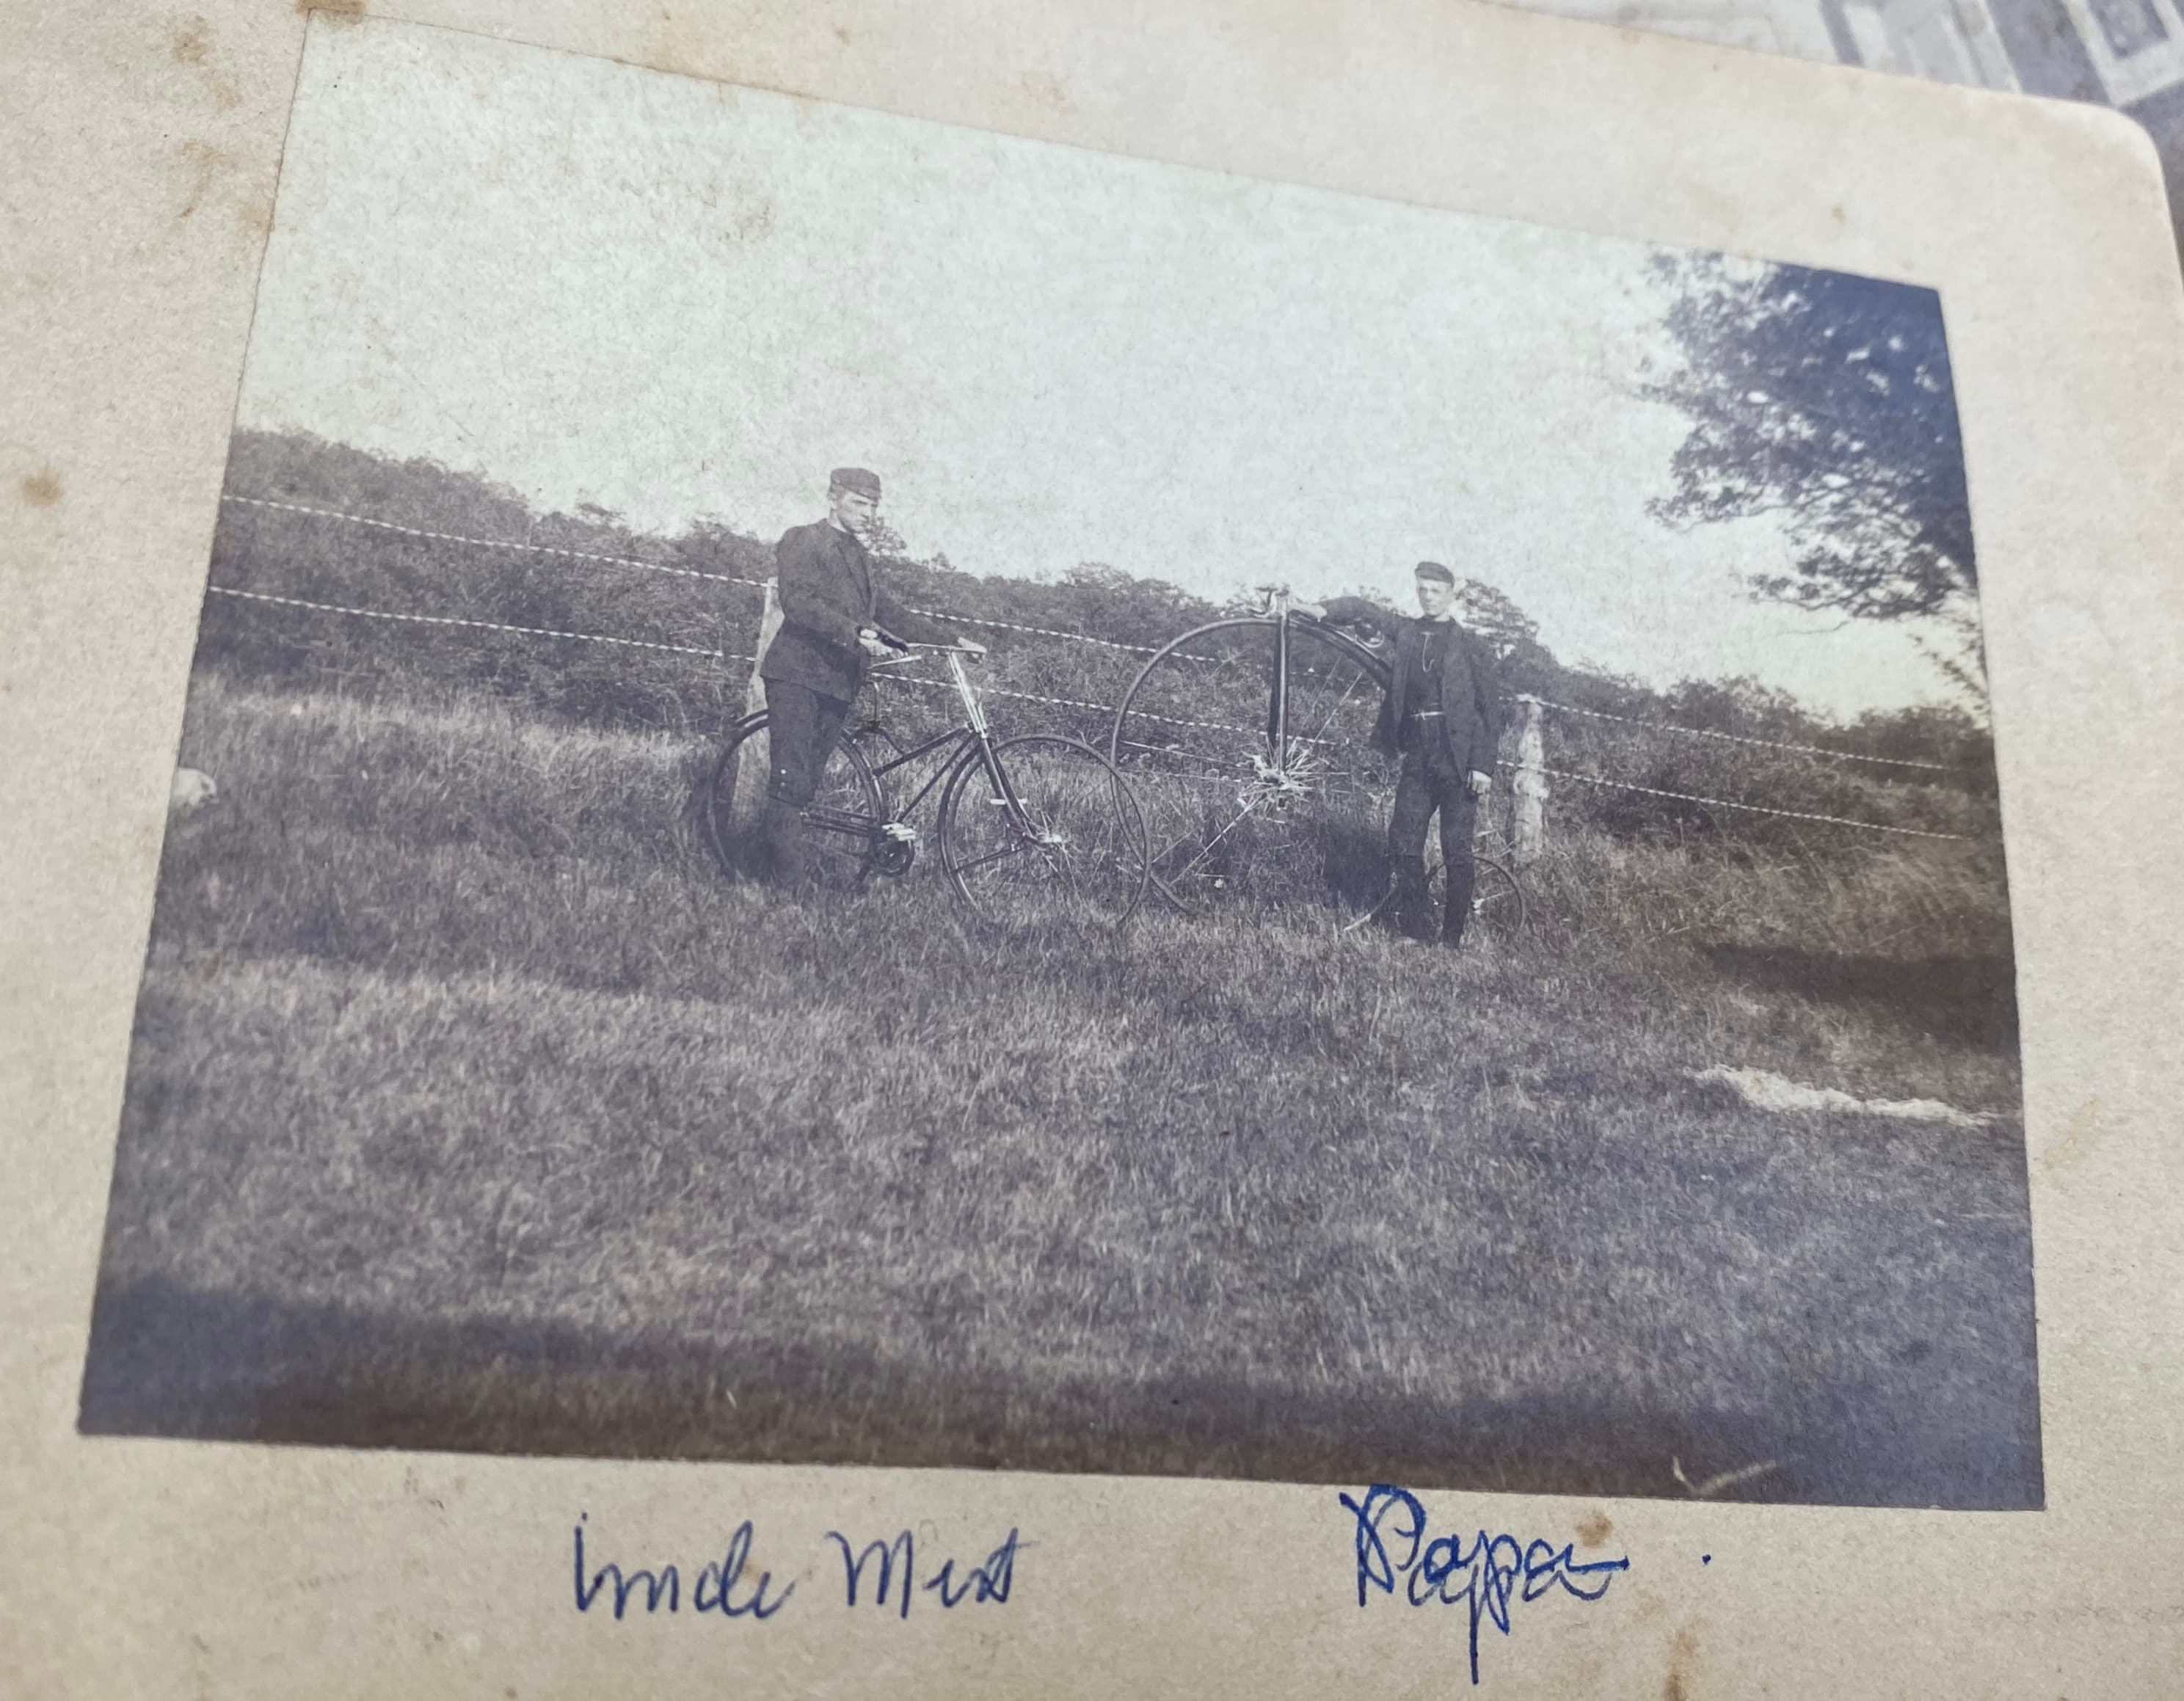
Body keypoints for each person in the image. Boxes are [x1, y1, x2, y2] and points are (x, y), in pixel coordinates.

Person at [753, 467, 983, 890]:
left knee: (807, 785)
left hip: (838, 681)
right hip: (797, 675)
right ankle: (787, 890)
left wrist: (950, 639)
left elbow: (888, 613)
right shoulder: (803, 539)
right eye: (860, 503)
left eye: (873, 505)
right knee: (791, 780)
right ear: (832, 498)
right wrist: (855, 632)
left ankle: (773, 872)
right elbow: (799, 601)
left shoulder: (858, 556)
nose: (868, 513)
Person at [1320, 562, 1503, 946]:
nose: (1429, 597)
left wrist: (1482, 765)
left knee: (1457, 848)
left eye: (1436, 591)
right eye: (1423, 590)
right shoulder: (1407, 632)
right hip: (1419, 753)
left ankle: (1451, 940)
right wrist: (1321, 610)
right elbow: (1364, 610)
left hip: (1459, 758)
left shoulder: (1471, 645)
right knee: (1403, 841)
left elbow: (1491, 710)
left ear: (1452, 594)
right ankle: (1417, 931)